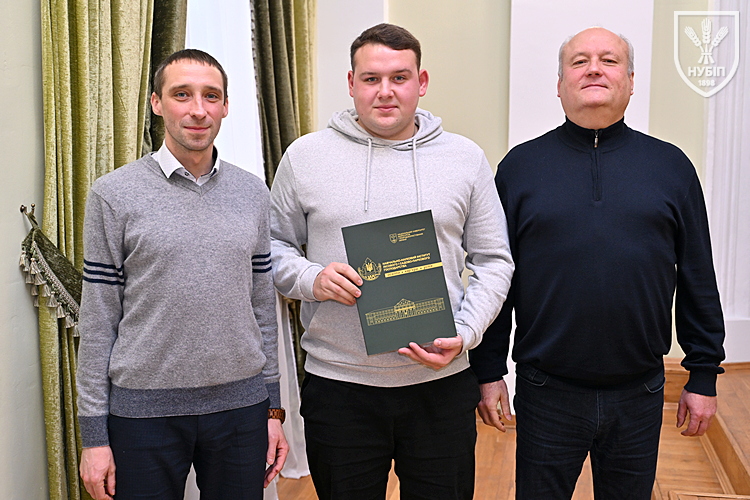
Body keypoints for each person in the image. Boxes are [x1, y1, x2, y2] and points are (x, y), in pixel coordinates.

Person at [470, 27, 726, 499]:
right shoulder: (519, 168)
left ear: (631, 81)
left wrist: (703, 373)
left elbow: (697, 277)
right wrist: (487, 371)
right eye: (579, 61)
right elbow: (496, 277)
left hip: (640, 392)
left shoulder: (672, 167)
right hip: (546, 391)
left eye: (609, 60)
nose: (594, 69)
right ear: (560, 84)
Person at [270, 23, 514, 500]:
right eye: (371, 78)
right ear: (351, 83)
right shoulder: (305, 157)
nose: (385, 91)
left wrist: (467, 332)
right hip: (339, 386)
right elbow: (274, 248)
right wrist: (312, 278)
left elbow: (494, 260)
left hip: (440, 384)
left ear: (421, 82)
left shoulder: (465, 158)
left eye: (399, 77)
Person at [76, 49, 288, 500]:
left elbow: (261, 310)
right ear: (157, 103)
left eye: (211, 96)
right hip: (142, 416)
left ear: (225, 106)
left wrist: (273, 411)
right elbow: (97, 320)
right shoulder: (113, 195)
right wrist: (93, 437)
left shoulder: (253, 192)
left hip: (242, 409)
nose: (198, 109)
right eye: (181, 94)